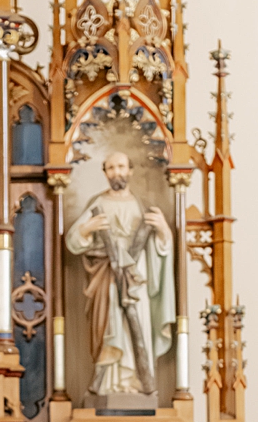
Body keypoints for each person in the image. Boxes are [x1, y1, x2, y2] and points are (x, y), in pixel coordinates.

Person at [65, 149, 176, 399]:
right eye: (112, 168)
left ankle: (136, 382)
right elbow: (72, 241)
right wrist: (86, 229)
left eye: (122, 167)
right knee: (110, 326)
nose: (117, 172)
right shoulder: (98, 204)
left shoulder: (143, 206)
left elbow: (163, 247)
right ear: (105, 173)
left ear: (130, 171)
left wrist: (163, 233)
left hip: (138, 280)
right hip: (107, 276)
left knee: (138, 326)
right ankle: (108, 386)